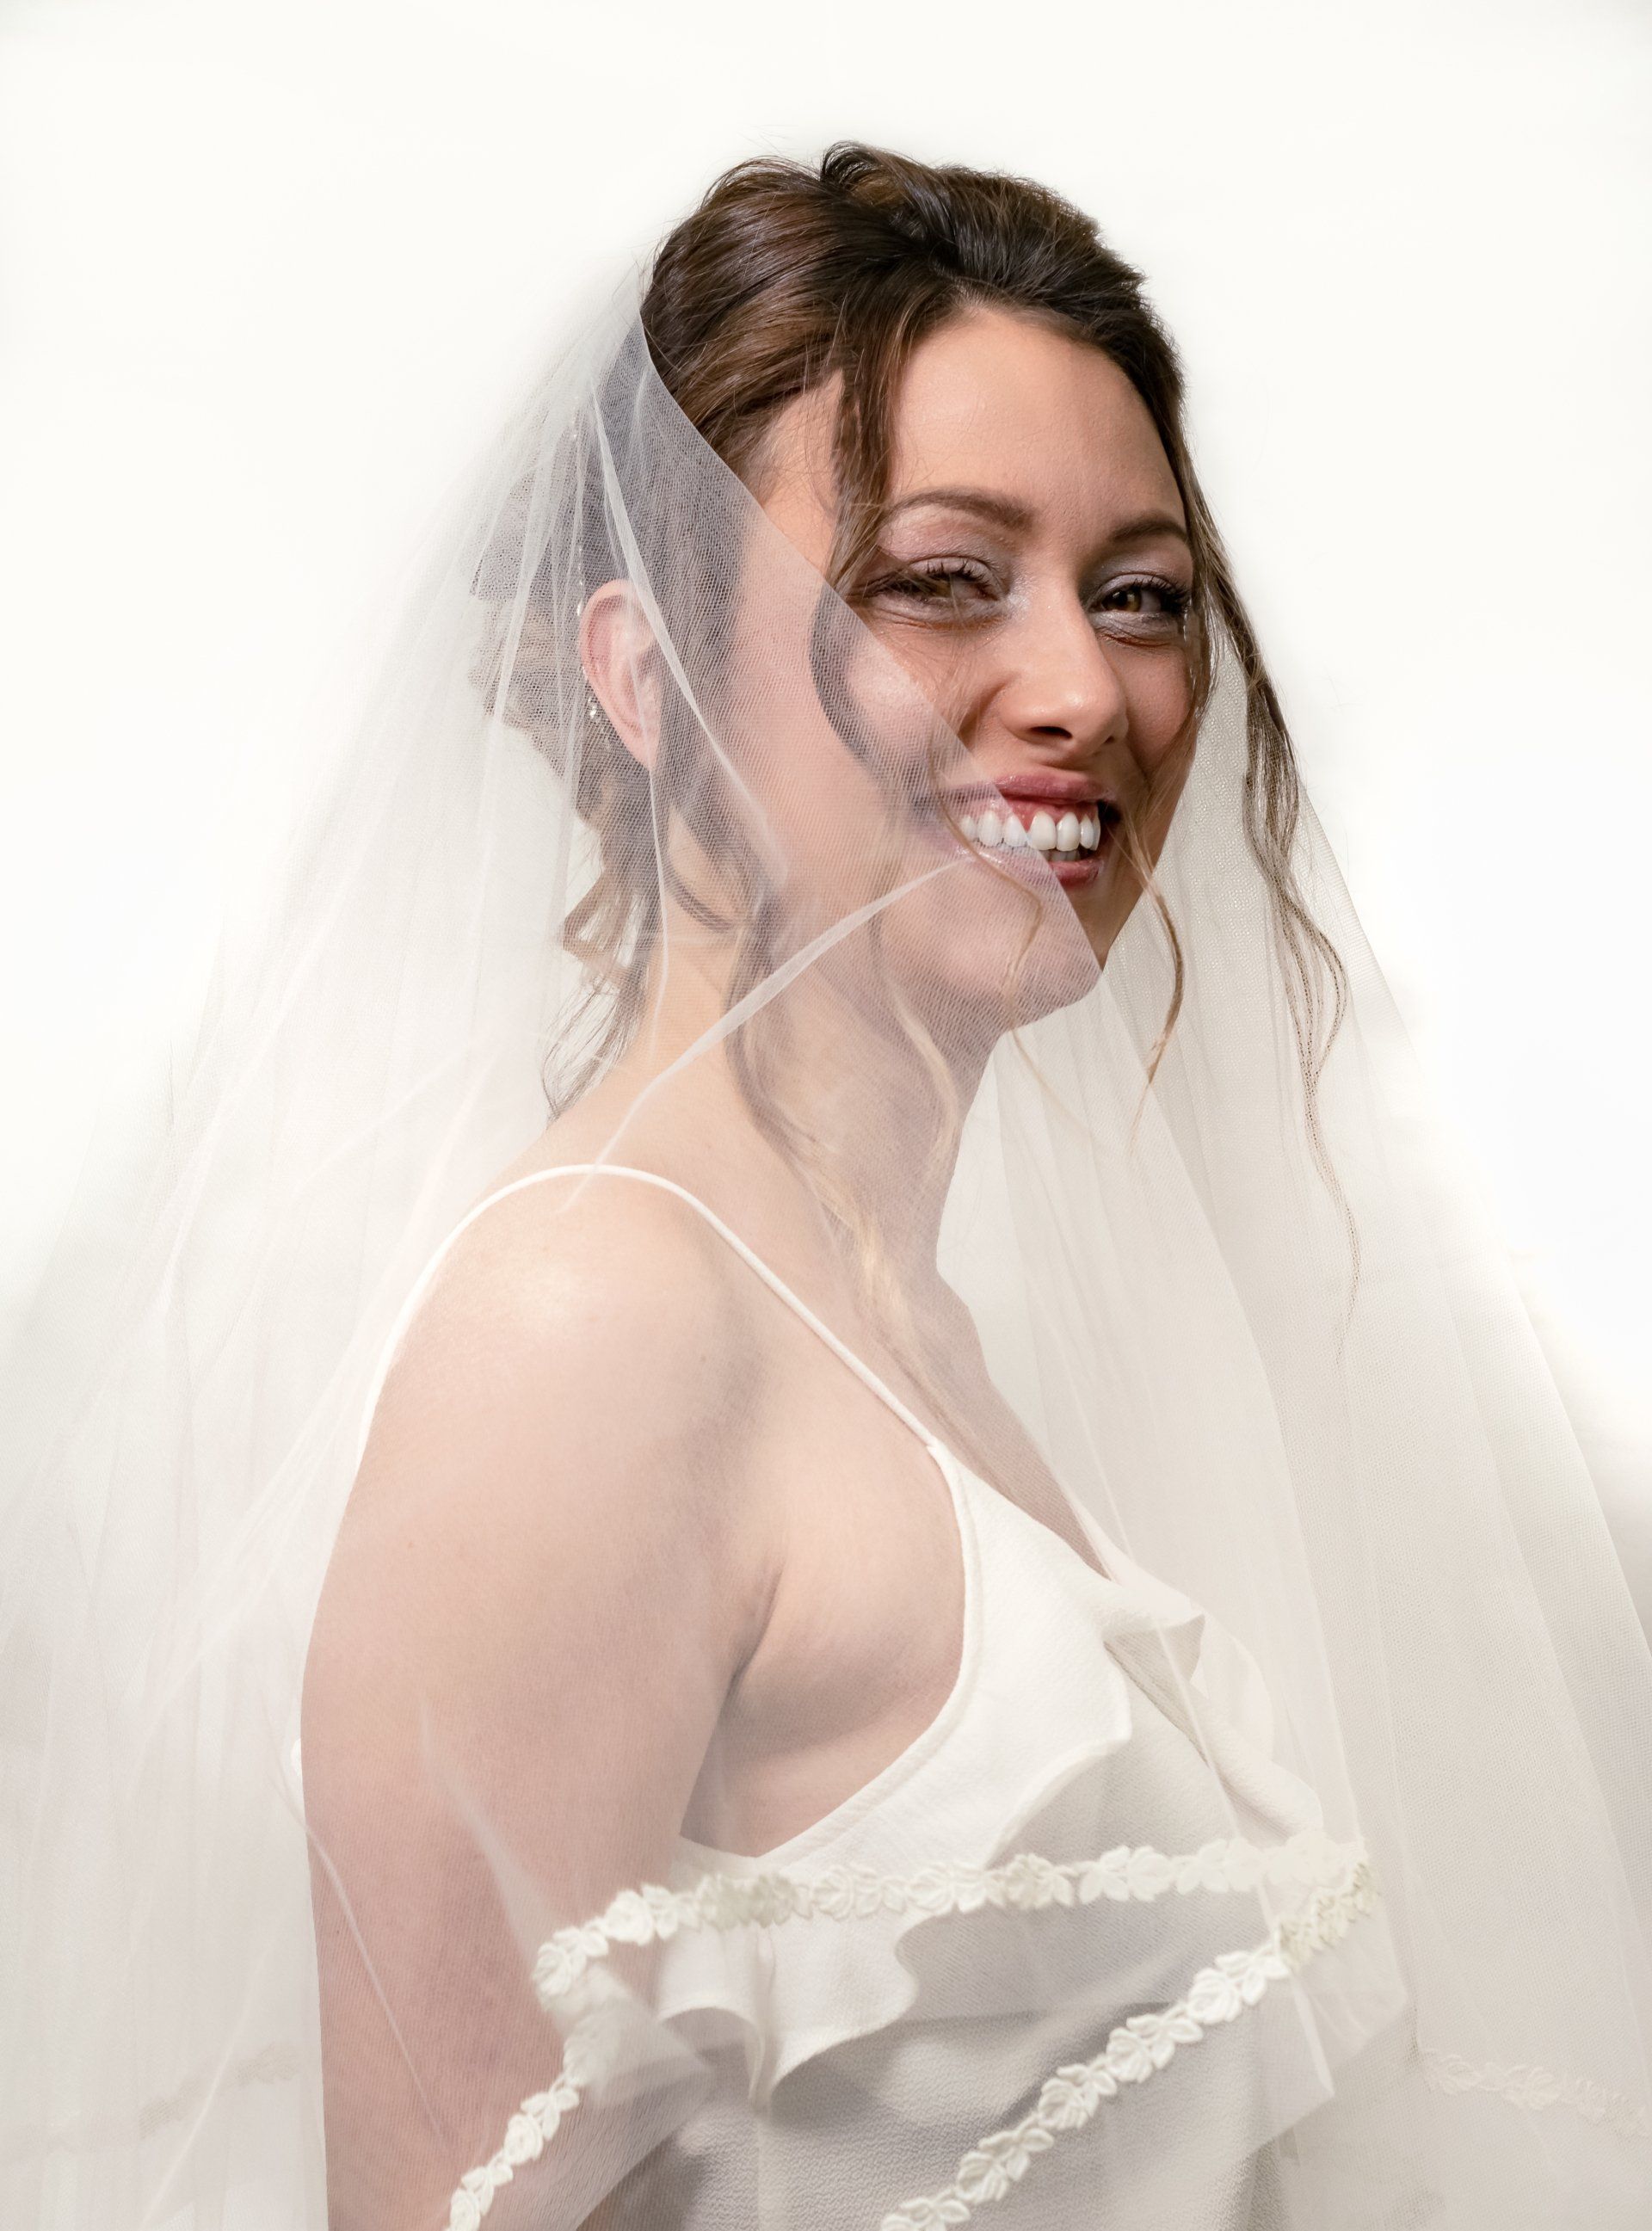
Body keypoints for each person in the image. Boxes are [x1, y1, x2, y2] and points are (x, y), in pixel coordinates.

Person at [4, 146, 1649, 2231]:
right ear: (640, 673)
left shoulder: (909, 1327)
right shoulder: (595, 1324)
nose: (1085, 692)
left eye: (1141, 594)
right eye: (943, 578)